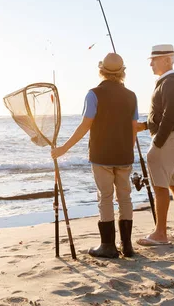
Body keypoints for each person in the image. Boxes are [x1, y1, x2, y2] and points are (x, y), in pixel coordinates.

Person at [52, 53, 138, 258]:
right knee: (125, 197)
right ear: (122, 72)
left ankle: (108, 246)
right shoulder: (131, 95)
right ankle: (127, 246)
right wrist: (128, 149)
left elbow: (85, 125)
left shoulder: (93, 94)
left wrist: (64, 148)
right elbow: (133, 128)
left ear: (102, 71)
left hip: (101, 155)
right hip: (125, 155)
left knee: (105, 198)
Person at [137, 44, 174, 246]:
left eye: (154, 59)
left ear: (167, 60)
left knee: (160, 186)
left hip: (167, 140)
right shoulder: (169, 82)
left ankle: (160, 233)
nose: (151, 63)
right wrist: (144, 126)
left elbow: (169, 116)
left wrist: (157, 142)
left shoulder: (169, 82)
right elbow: (165, 115)